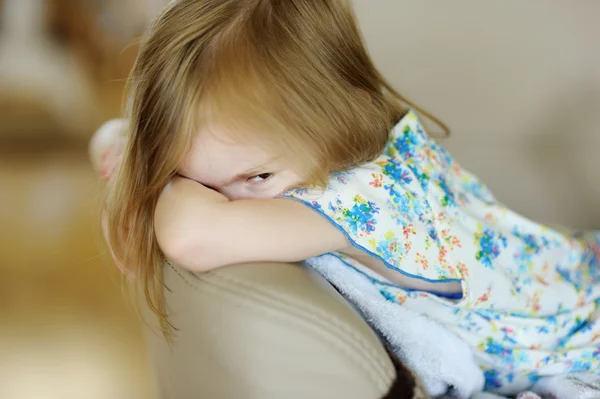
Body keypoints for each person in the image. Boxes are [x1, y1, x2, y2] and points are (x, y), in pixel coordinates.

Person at [91, 0, 600, 394]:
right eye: (200, 180)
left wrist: (149, 171)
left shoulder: (373, 200)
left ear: (337, 120)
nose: (225, 201)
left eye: (256, 178)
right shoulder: (316, 155)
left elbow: (190, 234)